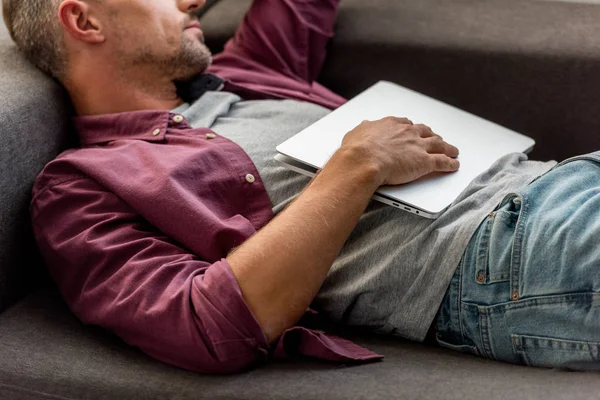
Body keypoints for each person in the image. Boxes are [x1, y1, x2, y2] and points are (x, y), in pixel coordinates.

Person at [5, 0, 600, 373]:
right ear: (83, 19)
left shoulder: (245, 71)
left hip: (566, 178)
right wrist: (355, 166)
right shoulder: (81, 187)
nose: (189, 2)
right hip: (506, 255)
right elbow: (205, 327)